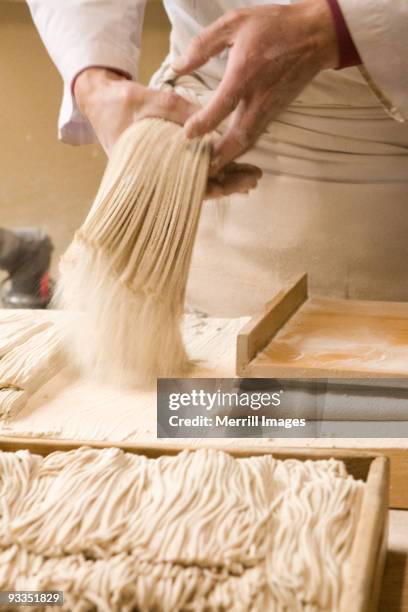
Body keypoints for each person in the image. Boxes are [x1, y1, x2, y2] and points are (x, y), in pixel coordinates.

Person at [27, 0, 408, 316]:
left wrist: (334, 29)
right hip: (193, 141)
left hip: (383, 166)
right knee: (170, 400)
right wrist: (95, 83)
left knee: (363, 404)